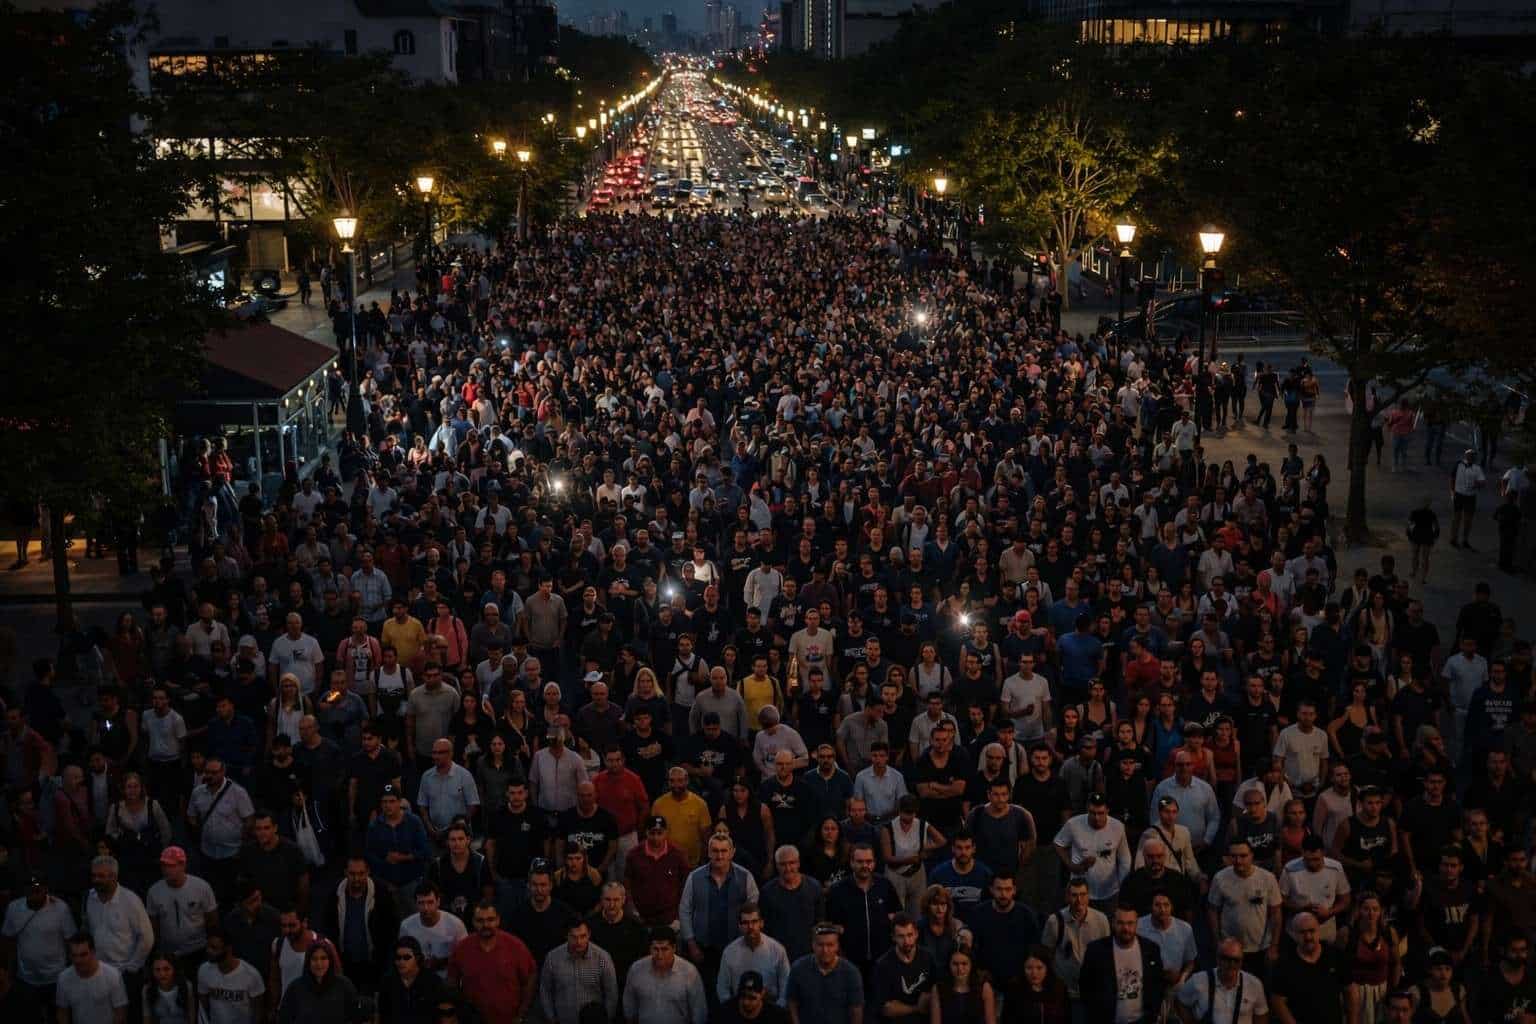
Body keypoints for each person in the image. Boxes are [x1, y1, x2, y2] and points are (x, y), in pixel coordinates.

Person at [446, 902, 536, 1024]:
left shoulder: (515, 946)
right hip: (471, 1019)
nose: (485, 925)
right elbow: (452, 983)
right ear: (473, 922)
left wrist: (521, 1015)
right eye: (480, 920)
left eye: (490, 919)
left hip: (508, 1020)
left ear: (498, 920)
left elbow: (530, 979)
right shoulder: (462, 948)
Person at [1078, 904, 1166, 1024]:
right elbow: (1085, 986)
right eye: (1120, 923)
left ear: (1136, 924)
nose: (1125, 928)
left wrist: (1153, 1014)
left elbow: (1158, 984)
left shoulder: (1151, 949)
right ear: (1113, 923)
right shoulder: (1096, 951)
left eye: (1130, 923)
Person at [1, 873, 75, 1012]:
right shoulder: (14, 908)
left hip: (56, 978)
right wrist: (8, 973)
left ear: (46, 889)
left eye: (37, 889)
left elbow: (70, 941)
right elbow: (7, 941)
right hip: (26, 979)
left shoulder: (61, 908)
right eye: (29, 889)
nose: (33, 893)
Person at [1268, 913, 1347, 1024]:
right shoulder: (1284, 964)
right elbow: (1278, 1002)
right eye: (1302, 932)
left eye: (1311, 931)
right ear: (1294, 935)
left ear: (1318, 930)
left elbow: (1350, 990)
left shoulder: (1334, 955)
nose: (1308, 937)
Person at [539, 918, 620, 1024]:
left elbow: (611, 993)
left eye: (583, 936)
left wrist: (605, 1020)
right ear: (566, 936)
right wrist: (551, 1018)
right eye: (574, 937)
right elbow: (545, 991)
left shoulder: (602, 958)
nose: (579, 942)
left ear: (589, 934)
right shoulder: (553, 958)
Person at [1173, 938, 1269, 1024]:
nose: (1231, 964)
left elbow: (1261, 1016)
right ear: (1217, 959)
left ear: (1241, 962)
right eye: (1226, 959)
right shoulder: (1198, 980)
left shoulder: (1254, 984)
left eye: (1236, 960)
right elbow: (1180, 1002)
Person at [623, 927, 708, 1024]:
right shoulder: (636, 970)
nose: (660, 955)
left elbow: (699, 1013)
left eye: (664, 949)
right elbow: (629, 1008)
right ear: (649, 948)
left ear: (674, 948)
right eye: (655, 949)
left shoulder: (689, 972)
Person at [784, 925, 864, 1024]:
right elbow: (791, 1002)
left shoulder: (851, 972)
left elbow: (856, 1010)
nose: (825, 950)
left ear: (837, 946)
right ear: (813, 945)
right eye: (820, 945)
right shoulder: (798, 968)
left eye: (830, 945)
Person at [718, 903, 792, 1006]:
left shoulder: (777, 950)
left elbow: (786, 987)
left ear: (761, 923)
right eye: (745, 923)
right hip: (741, 1008)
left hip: (770, 1007)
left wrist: (777, 1011)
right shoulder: (729, 952)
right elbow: (722, 989)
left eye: (754, 921)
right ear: (739, 926)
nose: (750, 927)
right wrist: (732, 1011)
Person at [195, 928, 266, 1024]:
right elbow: (203, 1004)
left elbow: (258, 1011)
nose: (209, 951)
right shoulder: (204, 970)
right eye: (208, 947)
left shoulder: (251, 974)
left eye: (214, 948)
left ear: (228, 948)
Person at [275, 943, 357, 1024]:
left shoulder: (343, 985)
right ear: (308, 962)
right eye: (314, 959)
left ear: (330, 960)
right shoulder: (295, 988)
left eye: (323, 958)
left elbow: (355, 1015)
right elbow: (283, 1019)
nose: (319, 963)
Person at [56, 933, 128, 1024]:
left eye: (83, 954)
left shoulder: (112, 975)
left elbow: (120, 1014)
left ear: (93, 952)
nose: (78, 960)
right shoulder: (63, 979)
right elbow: (62, 1013)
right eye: (74, 955)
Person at [375, 937, 450, 1024]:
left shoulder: (432, 981)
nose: (401, 962)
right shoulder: (388, 981)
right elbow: (381, 1014)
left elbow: (444, 1014)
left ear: (417, 958)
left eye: (406, 957)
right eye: (398, 957)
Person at [928, 946, 993, 1024]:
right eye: (955, 964)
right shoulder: (938, 989)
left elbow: (991, 1021)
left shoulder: (984, 988)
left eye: (964, 964)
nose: (960, 969)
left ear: (971, 965)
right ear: (948, 965)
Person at [714, 971, 790, 1024]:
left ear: (762, 993)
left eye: (752, 998)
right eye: (743, 996)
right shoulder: (725, 1013)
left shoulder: (777, 1016)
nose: (746, 1002)